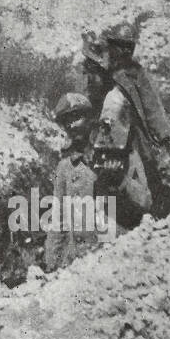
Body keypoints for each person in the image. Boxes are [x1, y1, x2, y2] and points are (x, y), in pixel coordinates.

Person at [99, 21, 170, 217]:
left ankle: (151, 216)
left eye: (129, 46)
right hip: (108, 135)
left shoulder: (137, 74)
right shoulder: (103, 72)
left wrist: (165, 133)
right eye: (121, 45)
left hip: (135, 135)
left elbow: (152, 106)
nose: (125, 50)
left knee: (145, 174)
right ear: (112, 46)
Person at [44, 93, 103, 270]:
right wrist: (52, 264)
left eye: (76, 117)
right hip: (75, 262)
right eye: (66, 121)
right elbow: (58, 220)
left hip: (105, 255)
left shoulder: (106, 157)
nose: (71, 125)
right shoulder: (64, 167)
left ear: (90, 118)